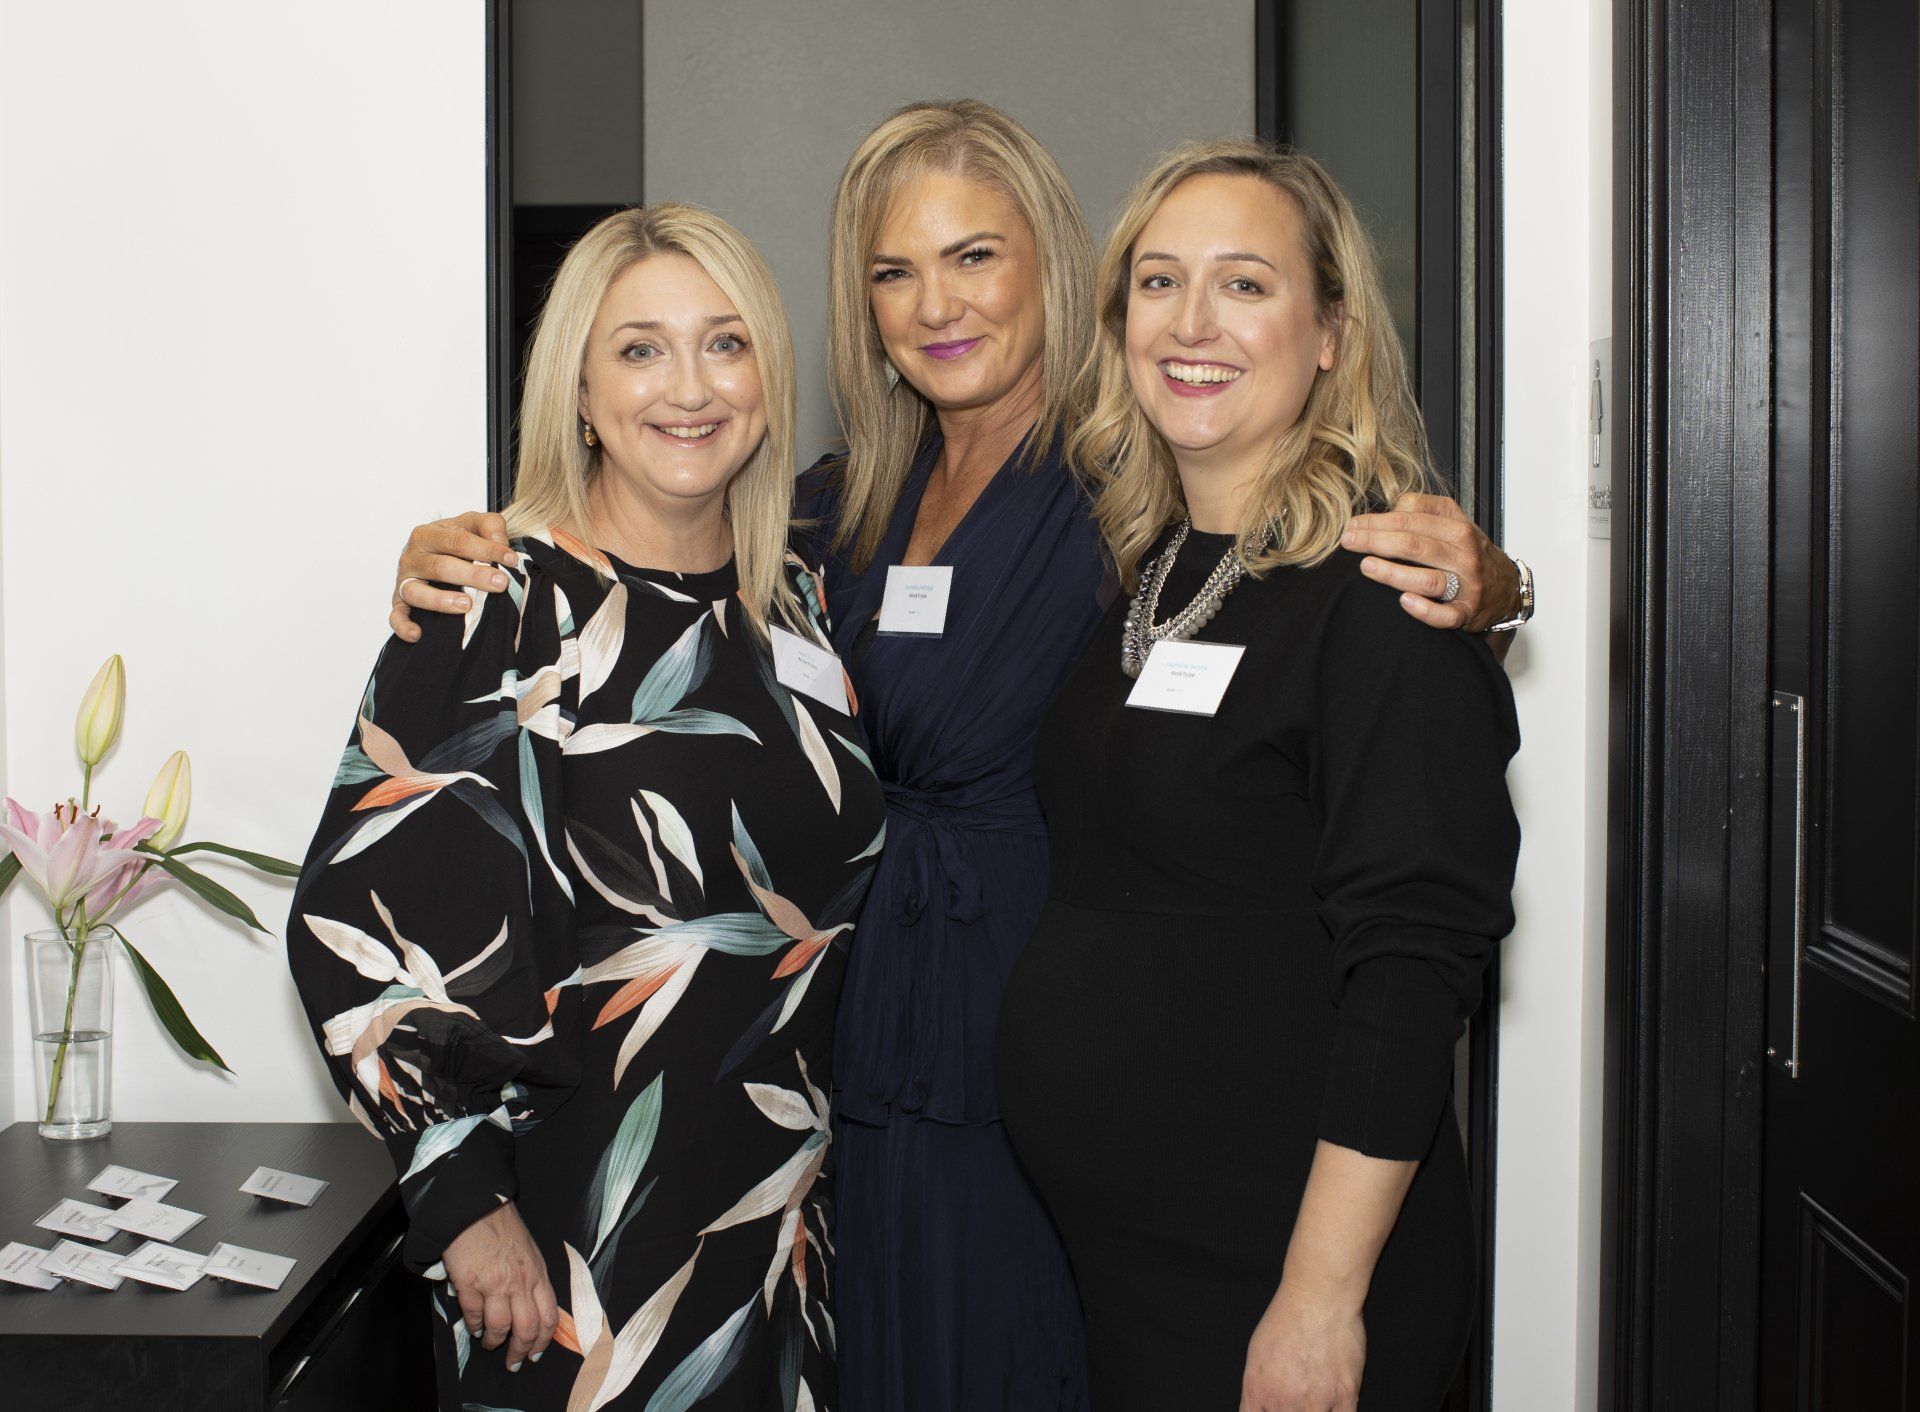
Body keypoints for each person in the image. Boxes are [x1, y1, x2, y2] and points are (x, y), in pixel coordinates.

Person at [381, 103, 1528, 1410]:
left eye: (975, 256)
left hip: (1043, 1094)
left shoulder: (1128, 481)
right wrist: (487, 559)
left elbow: (1305, 585)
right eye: (893, 270)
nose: (937, 302)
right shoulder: (823, 513)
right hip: (845, 1063)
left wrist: (1492, 585)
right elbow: (652, 586)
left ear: (1052, 267)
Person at [287, 205, 885, 1412]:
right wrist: (461, 1195)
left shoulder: (803, 600)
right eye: (640, 348)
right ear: (578, 383)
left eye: (725, 343)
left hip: (782, 1234)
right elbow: (358, 923)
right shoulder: (498, 601)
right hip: (572, 1245)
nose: (689, 386)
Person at [995, 140, 1521, 1412]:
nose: (1192, 322)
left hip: (1282, 1271)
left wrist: (1320, 1298)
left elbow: (1413, 968)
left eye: (1244, 284)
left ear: (1331, 330)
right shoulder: (1148, 566)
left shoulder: (1388, 595)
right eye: (1160, 282)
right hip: (1134, 1269)